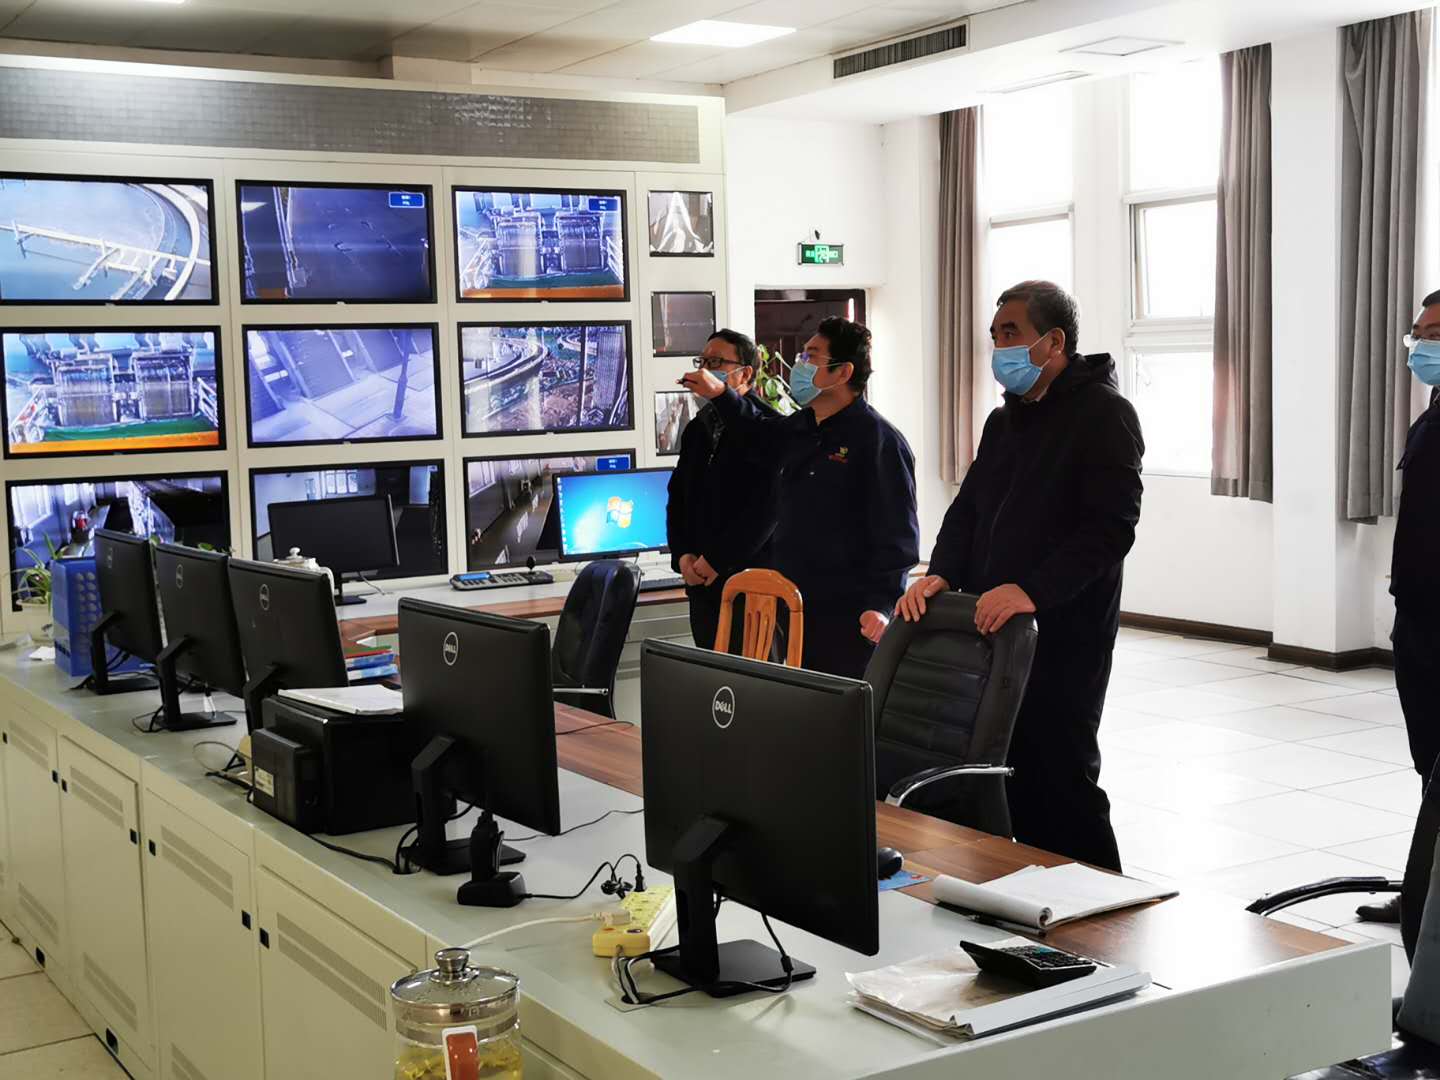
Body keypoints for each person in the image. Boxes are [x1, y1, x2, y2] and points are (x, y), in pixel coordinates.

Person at [896, 281, 1143, 872]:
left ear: (1054, 342)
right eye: (995, 335)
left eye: (1012, 333)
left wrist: (1033, 590)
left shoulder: (1105, 414)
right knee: (1003, 770)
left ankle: (1105, 903)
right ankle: (1026, 891)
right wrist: (942, 572)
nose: (999, 347)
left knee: (1060, 774)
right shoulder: (1004, 421)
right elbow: (969, 509)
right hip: (994, 628)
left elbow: (1110, 529)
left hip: (1065, 631)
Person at [681, 317, 919, 679]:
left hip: (848, 617)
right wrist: (721, 395)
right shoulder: (803, 426)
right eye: (802, 356)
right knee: (794, 705)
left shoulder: (879, 442)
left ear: (843, 372)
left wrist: (882, 604)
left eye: (811, 357)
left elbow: (897, 537)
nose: (799, 365)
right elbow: (757, 431)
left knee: (836, 707)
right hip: (793, 607)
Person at [1357, 290, 1440, 924]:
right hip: (1418, 619)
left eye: (1436, 334)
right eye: (1420, 334)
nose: (1422, 346)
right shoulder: (1430, 416)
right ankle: (1425, 892)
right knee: (1428, 763)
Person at [665, 329, 780, 653]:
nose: (705, 370)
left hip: (750, 584)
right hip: (701, 584)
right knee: (711, 677)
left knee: (753, 678)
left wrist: (716, 561)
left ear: (745, 373)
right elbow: (678, 497)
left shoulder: (767, 427)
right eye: (702, 362)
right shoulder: (698, 427)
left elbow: (767, 510)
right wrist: (683, 555)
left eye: (715, 362)